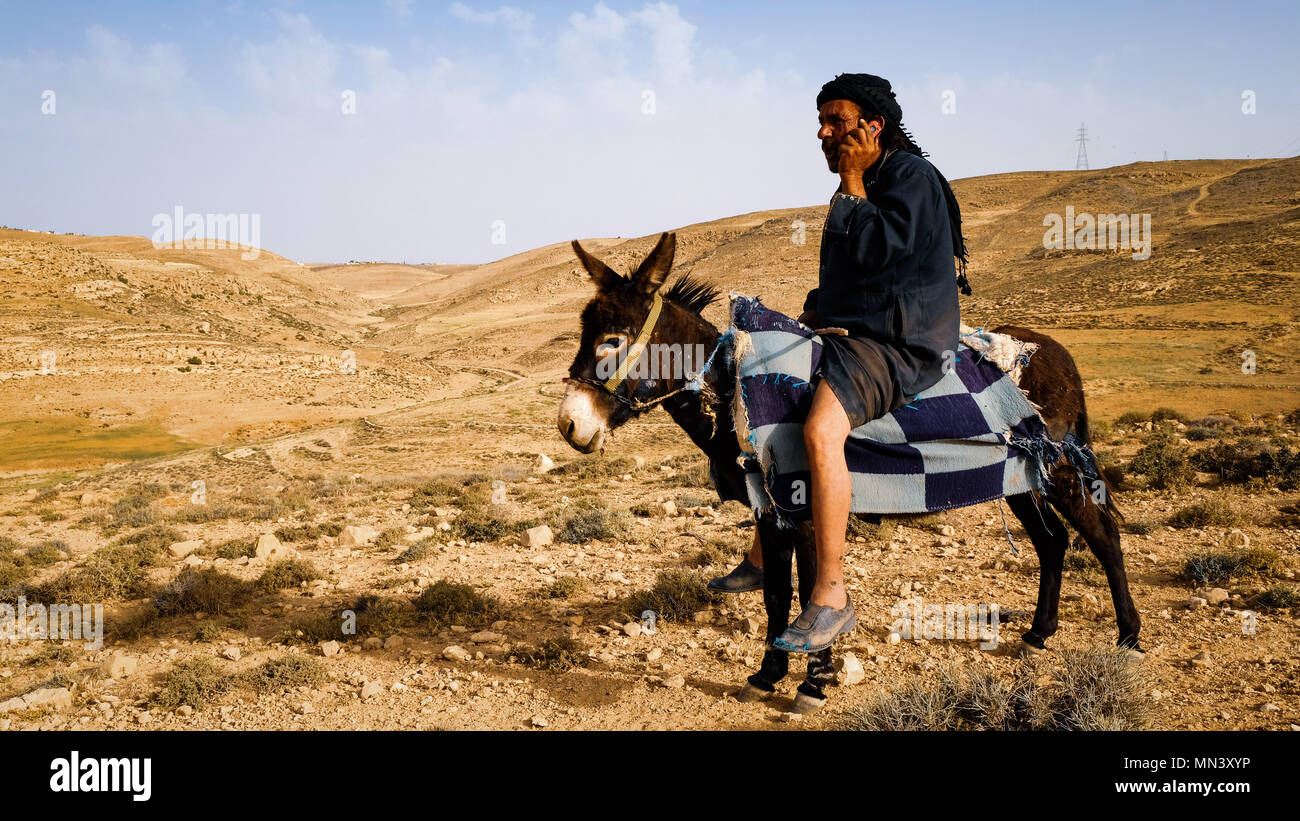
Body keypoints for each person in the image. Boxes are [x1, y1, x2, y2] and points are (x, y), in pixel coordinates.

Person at [708, 73, 969, 653]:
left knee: (822, 429)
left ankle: (831, 595)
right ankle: (760, 552)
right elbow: (848, 273)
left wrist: (850, 185)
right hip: (857, 331)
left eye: (838, 123)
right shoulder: (870, 180)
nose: (825, 135)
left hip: (902, 343)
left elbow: (879, 251)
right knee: (771, 395)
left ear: (873, 127)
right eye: (822, 124)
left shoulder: (910, 178)